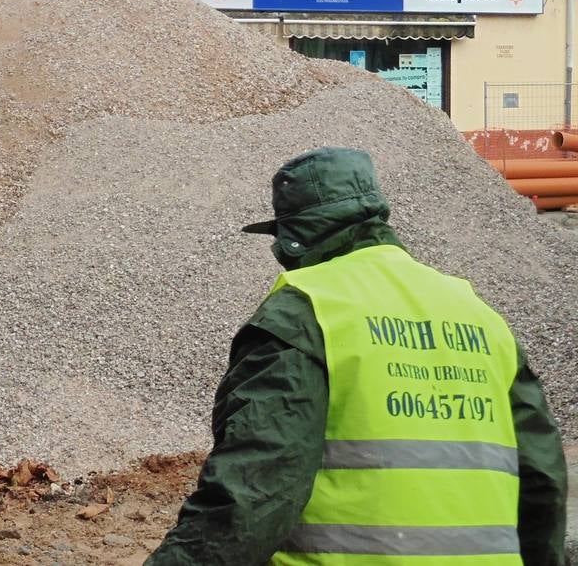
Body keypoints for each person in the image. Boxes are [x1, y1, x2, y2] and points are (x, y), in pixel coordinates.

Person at [147, 147, 567, 565]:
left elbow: (257, 489)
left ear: (293, 237)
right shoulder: (478, 315)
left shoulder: (308, 311)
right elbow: (542, 478)